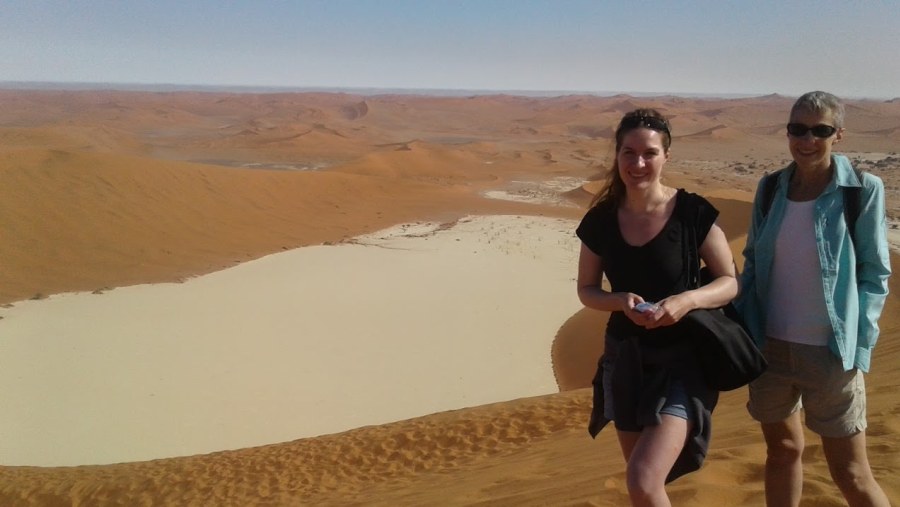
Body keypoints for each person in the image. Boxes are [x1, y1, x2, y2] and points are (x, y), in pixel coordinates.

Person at [576, 108, 739, 506]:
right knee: (643, 485)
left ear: (666, 156)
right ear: (616, 155)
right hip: (625, 360)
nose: (638, 163)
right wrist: (619, 301)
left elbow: (730, 282)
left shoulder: (692, 213)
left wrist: (686, 301)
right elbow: (586, 290)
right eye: (628, 152)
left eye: (649, 153)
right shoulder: (600, 220)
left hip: (682, 363)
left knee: (644, 480)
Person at [736, 91, 892, 507]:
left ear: (838, 134)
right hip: (768, 350)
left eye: (820, 130)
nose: (807, 139)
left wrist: (860, 347)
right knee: (782, 452)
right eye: (798, 129)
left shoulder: (861, 190)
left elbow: (875, 274)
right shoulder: (770, 189)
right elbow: (752, 264)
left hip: (831, 353)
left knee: (851, 473)